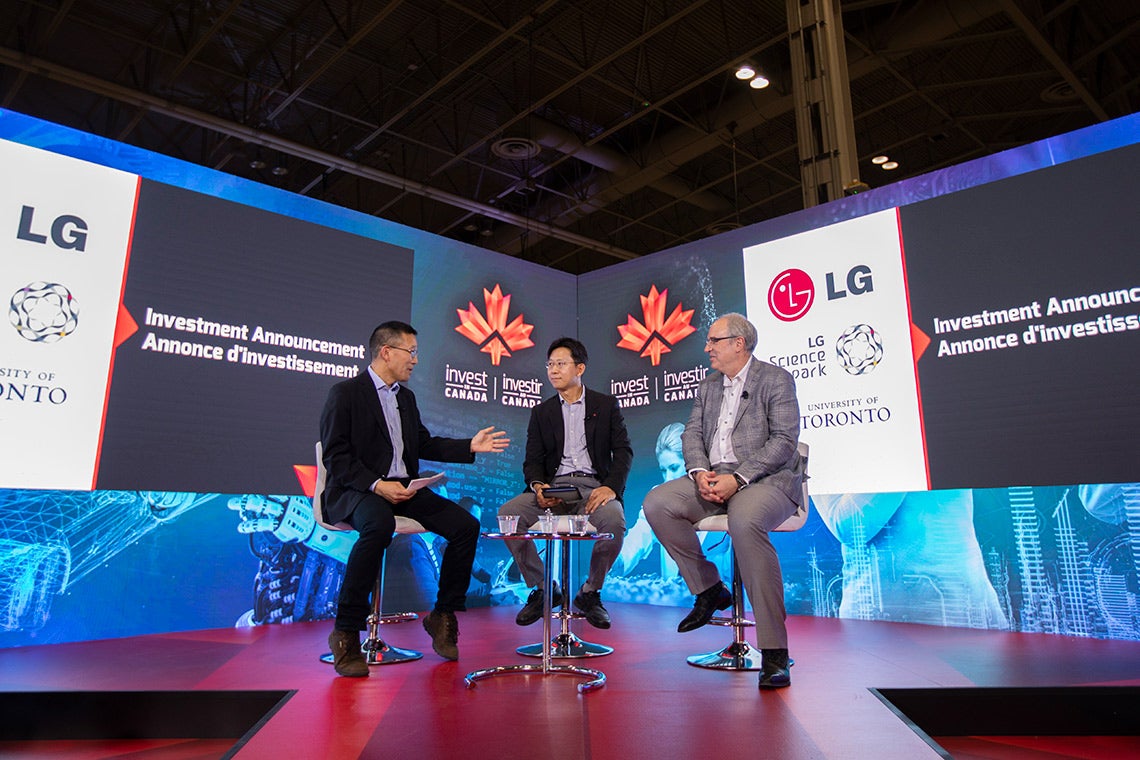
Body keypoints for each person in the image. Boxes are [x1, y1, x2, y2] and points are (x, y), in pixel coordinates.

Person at [319, 320, 509, 676]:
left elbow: (423, 444)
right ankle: (345, 631)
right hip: (356, 490)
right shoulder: (345, 394)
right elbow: (336, 457)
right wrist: (377, 485)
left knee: (465, 526)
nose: (416, 360)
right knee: (378, 525)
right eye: (411, 352)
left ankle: (443, 614)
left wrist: (469, 445)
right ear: (386, 352)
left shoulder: (405, 398)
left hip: (403, 489)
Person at [643, 313, 805, 689]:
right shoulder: (708, 386)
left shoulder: (776, 379)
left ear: (738, 343)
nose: (707, 348)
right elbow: (692, 433)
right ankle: (709, 589)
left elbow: (784, 441)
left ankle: (774, 651)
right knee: (657, 503)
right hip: (715, 477)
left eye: (714, 341)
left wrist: (739, 478)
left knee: (744, 520)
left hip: (766, 480)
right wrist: (700, 472)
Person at [498, 337, 633, 629]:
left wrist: (610, 487)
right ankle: (543, 588)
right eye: (550, 365)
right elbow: (532, 461)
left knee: (614, 520)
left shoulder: (605, 405)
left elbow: (623, 451)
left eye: (561, 364)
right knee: (508, 515)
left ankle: (590, 592)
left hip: (592, 488)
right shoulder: (541, 412)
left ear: (580, 368)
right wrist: (538, 487)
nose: (553, 370)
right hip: (554, 488)